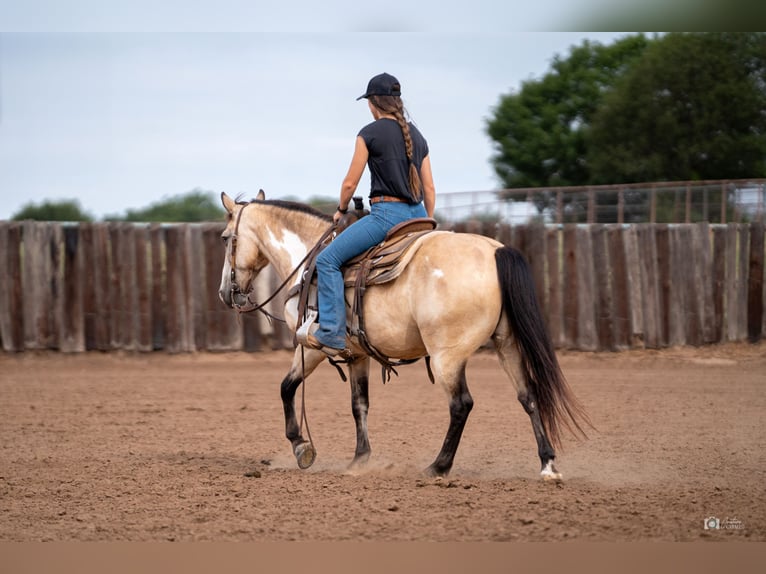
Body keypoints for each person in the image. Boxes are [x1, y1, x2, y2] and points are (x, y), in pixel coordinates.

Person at [306, 72, 436, 356]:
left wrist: (340, 210)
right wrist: (426, 221)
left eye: (368, 102)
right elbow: (429, 187)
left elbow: (350, 183)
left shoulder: (369, 133)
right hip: (419, 219)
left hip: (386, 216)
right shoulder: (419, 137)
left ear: (374, 103)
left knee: (327, 260)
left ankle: (331, 332)